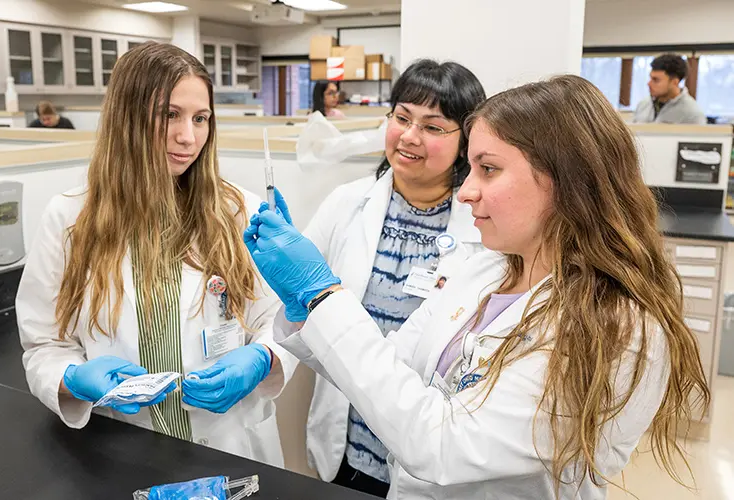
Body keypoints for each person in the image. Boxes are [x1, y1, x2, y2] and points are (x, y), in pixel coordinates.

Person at [244, 75, 710, 499]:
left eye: (488, 169)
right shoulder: (483, 270)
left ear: (569, 181)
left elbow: (443, 443)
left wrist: (324, 293)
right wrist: (306, 307)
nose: (465, 191)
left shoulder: (617, 328)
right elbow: (389, 365)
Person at [15, 42, 296, 467]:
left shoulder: (239, 210)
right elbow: (43, 344)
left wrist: (262, 356)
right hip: (124, 449)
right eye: (170, 115)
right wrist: (71, 378)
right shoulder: (70, 217)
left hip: (231, 447)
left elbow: (282, 318)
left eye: (201, 119)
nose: (188, 137)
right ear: (126, 118)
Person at [295, 59, 486, 497]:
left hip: (432, 453)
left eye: (434, 127)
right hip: (348, 441)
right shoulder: (347, 203)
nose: (409, 136)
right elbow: (295, 305)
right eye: (401, 118)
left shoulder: (483, 228)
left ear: (466, 142)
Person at [633, 53, 706, 124]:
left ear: (674, 82)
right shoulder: (643, 104)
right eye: (650, 78)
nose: (649, 83)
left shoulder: (693, 114)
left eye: (656, 80)